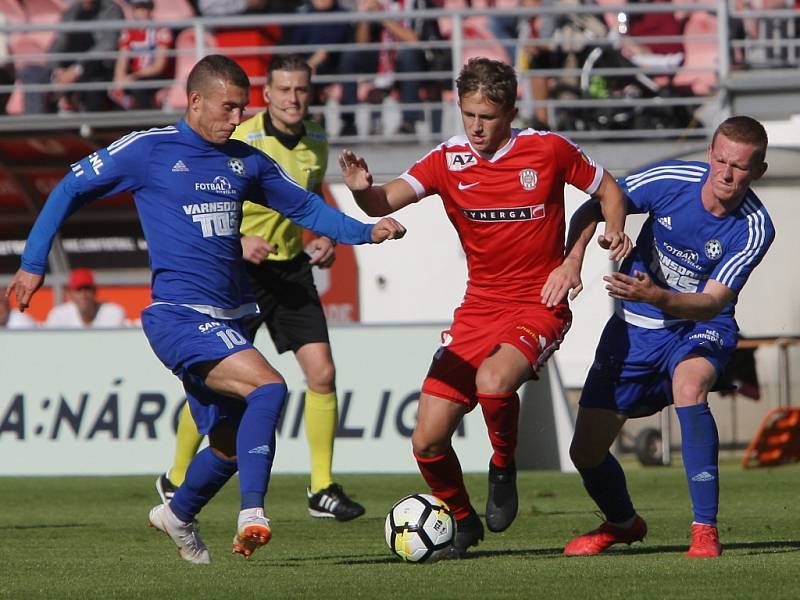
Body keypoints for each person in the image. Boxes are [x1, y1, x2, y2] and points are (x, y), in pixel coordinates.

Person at [7, 54, 406, 565]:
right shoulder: (149, 150)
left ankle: (178, 513)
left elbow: (306, 209)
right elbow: (71, 187)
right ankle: (253, 514)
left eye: (242, 108)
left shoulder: (246, 161)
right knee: (271, 386)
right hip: (179, 314)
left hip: (233, 314)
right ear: (194, 101)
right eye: (228, 107)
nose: (237, 118)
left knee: (230, 442)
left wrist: (366, 231)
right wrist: (33, 263)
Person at [339, 56, 631, 558]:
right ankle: (462, 519)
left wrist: (597, 241)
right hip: (478, 306)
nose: (476, 126)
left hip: (539, 302)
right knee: (426, 441)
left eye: (488, 116)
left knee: (493, 383)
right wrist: (363, 190)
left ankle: (502, 464)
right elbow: (385, 201)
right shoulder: (446, 159)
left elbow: (609, 190)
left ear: (511, 111)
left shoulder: (547, 149)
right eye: (468, 114)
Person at [156, 54, 365, 522]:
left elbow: (307, 202)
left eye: (302, 91)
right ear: (266, 95)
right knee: (216, 384)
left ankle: (322, 487)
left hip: (290, 270)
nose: (294, 99)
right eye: (285, 90)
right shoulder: (239, 137)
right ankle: (176, 476)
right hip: (237, 272)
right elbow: (202, 205)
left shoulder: (317, 141)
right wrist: (240, 240)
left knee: (323, 374)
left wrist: (328, 238)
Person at [562, 115, 774, 559]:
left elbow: (712, 302)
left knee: (689, 385)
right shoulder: (671, 179)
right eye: (720, 160)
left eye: (739, 167)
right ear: (709, 154)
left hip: (700, 328)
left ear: (758, 171)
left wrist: (657, 295)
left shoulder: (755, 227)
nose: (726, 173)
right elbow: (601, 201)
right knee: (585, 452)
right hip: (634, 330)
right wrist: (574, 258)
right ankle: (623, 524)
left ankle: (704, 531)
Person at [19, 0, 124, 114]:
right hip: (63, 70)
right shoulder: (72, 10)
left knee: (92, 84)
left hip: (92, 69)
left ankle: (85, 123)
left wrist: (76, 70)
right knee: (30, 72)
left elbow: (107, 45)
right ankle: (36, 125)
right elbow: (58, 43)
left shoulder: (111, 10)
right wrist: (56, 69)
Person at [111, 0, 174, 110]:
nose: (142, 12)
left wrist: (133, 77)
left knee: (138, 87)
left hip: (154, 76)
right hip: (136, 75)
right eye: (138, 8)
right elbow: (122, 59)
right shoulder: (129, 31)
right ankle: (119, 125)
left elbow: (159, 66)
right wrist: (119, 79)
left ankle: (146, 123)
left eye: (145, 8)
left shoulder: (161, 30)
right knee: (113, 89)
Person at [44, 268, 126, 328]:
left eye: (87, 289)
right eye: (78, 290)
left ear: (94, 291)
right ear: (70, 294)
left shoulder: (113, 312)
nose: (83, 295)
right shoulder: (58, 315)